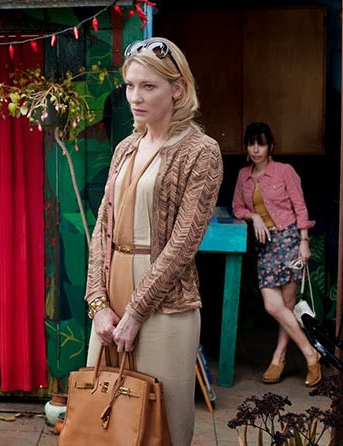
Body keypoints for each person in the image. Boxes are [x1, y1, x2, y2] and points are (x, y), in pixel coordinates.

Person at [84, 37, 223, 446]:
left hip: (165, 307)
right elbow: (102, 228)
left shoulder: (201, 152)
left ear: (177, 89)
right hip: (110, 300)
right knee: (103, 420)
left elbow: (183, 243)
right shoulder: (125, 148)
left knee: (162, 426)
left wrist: (136, 312)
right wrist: (98, 304)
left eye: (148, 86)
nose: (135, 97)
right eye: (130, 85)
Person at [232, 122, 321, 387]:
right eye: (251, 143)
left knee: (286, 304)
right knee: (274, 305)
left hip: (289, 240)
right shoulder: (243, 176)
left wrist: (304, 242)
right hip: (266, 245)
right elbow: (237, 207)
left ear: (270, 146)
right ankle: (311, 353)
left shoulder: (285, 171)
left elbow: (300, 208)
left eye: (260, 143)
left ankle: (278, 358)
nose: (255, 149)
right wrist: (254, 216)